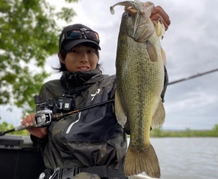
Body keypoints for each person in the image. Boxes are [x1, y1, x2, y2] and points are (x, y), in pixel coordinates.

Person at [22, 5, 170, 179]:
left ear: (97, 56)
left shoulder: (113, 84)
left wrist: (156, 33)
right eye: (75, 52)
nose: (84, 58)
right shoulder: (50, 89)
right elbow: (46, 141)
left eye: (91, 51)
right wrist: (39, 135)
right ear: (61, 57)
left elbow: (133, 120)